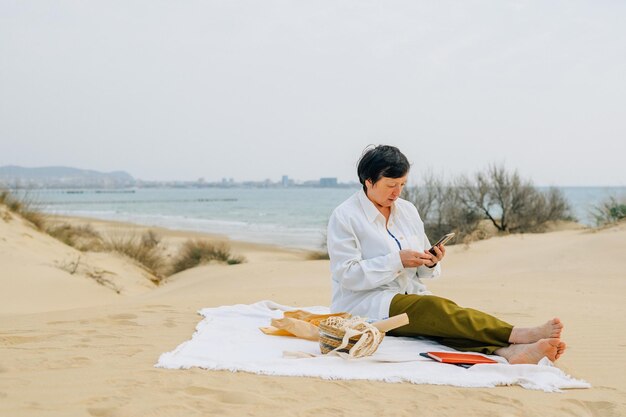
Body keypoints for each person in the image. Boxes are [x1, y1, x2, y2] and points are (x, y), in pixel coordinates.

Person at [327, 145, 566, 364]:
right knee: (435, 309)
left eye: (403, 184)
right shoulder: (345, 216)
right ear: (369, 181)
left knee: (441, 322)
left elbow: (421, 269)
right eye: (391, 185)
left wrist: (430, 261)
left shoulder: (407, 211)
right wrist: (397, 260)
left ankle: (506, 352)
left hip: (409, 296)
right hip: (366, 303)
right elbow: (347, 274)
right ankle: (518, 334)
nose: (397, 192)